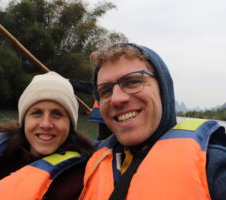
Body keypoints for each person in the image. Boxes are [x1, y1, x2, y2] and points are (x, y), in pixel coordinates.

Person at [79, 42, 226, 199]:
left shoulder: (213, 164)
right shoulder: (92, 155)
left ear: (163, 90)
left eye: (132, 82)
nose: (116, 99)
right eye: (106, 91)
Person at [0, 71, 94, 200]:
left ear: (70, 124)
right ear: (24, 120)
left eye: (57, 114)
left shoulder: (86, 175)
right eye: (36, 113)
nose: (46, 124)